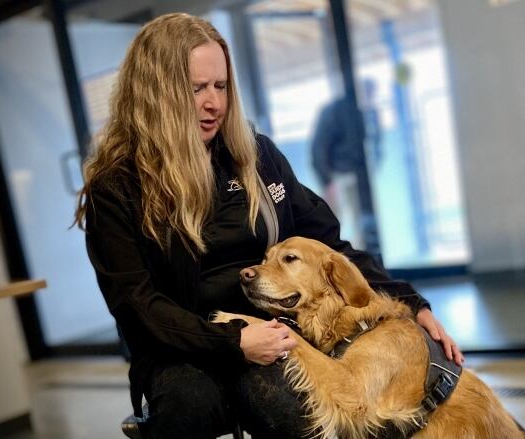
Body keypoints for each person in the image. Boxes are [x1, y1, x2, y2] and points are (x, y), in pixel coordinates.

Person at [74, 12, 463, 439]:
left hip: (276, 331)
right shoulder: (116, 187)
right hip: (180, 344)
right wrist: (233, 342)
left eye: (220, 86)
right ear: (157, 93)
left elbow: (329, 245)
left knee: (289, 408)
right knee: (190, 408)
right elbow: (136, 303)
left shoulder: (256, 155)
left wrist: (413, 301)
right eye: (196, 88)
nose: (214, 103)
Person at [310, 78, 381, 251]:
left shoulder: (370, 112)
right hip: (337, 176)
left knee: (363, 223)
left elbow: (376, 142)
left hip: (360, 177)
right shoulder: (334, 111)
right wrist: (327, 182)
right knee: (331, 225)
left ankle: (362, 266)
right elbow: (319, 147)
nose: (369, 97)